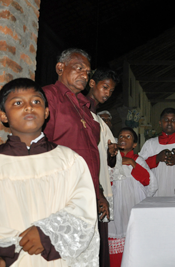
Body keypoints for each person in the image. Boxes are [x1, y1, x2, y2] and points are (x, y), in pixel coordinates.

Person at [0, 78, 99, 267]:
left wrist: (47, 234)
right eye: (18, 103)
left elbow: (84, 211)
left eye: (36, 101)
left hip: (58, 259)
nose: (29, 107)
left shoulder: (69, 160)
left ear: (46, 112)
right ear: (3, 116)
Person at [42, 48, 109, 266]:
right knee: (61, 257)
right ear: (60, 68)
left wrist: (98, 193)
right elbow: (37, 147)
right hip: (61, 196)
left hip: (87, 197)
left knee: (85, 258)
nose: (85, 75)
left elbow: (91, 155)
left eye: (88, 72)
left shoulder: (84, 108)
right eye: (79, 68)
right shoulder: (47, 97)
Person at [107, 127, 157, 267]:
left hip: (133, 206)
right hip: (116, 208)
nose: (123, 139)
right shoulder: (108, 159)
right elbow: (105, 183)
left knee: (135, 245)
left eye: (128, 137)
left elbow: (149, 182)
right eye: (121, 136)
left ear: (135, 144)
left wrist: (132, 163)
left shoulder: (138, 160)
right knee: (116, 246)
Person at [86, 68, 120, 267]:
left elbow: (110, 164)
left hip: (99, 186)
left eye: (111, 90)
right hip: (86, 186)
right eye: (104, 87)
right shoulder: (82, 115)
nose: (107, 93)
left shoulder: (99, 121)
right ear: (92, 84)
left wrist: (111, 154)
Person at [139, 108, 175, 196]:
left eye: (173, 120)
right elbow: (140, 167)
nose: (169, 123)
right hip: (158, 191)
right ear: (160, 123)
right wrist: (156, 158)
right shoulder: (150, 144)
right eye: (166, 120)